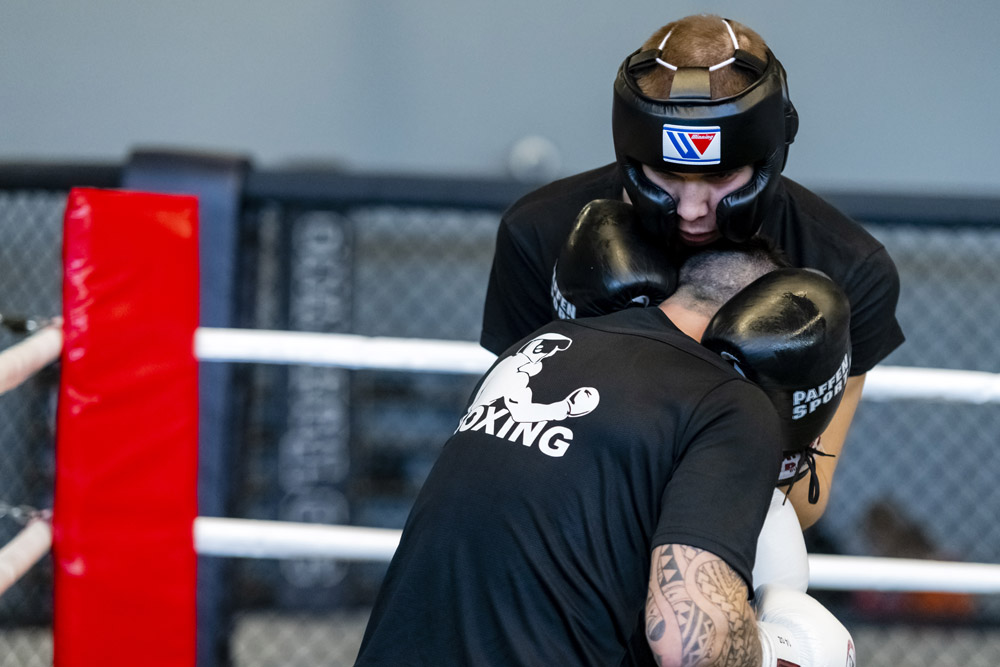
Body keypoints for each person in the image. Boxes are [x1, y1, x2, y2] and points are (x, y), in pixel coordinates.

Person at [481, 13, 904, 528]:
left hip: (738, 532)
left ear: (770, 155)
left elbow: (804, 506)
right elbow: (502, 442)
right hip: (568, 522)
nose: (690, 209)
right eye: (666, 174)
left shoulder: (848, 267)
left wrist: (775, 431)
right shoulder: (540, 232)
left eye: (722, 175)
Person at [355, 233, 854, 666]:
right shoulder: (731, 401)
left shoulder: (540, 346)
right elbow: (689, 645)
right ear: (762, 323)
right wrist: (778, 653)